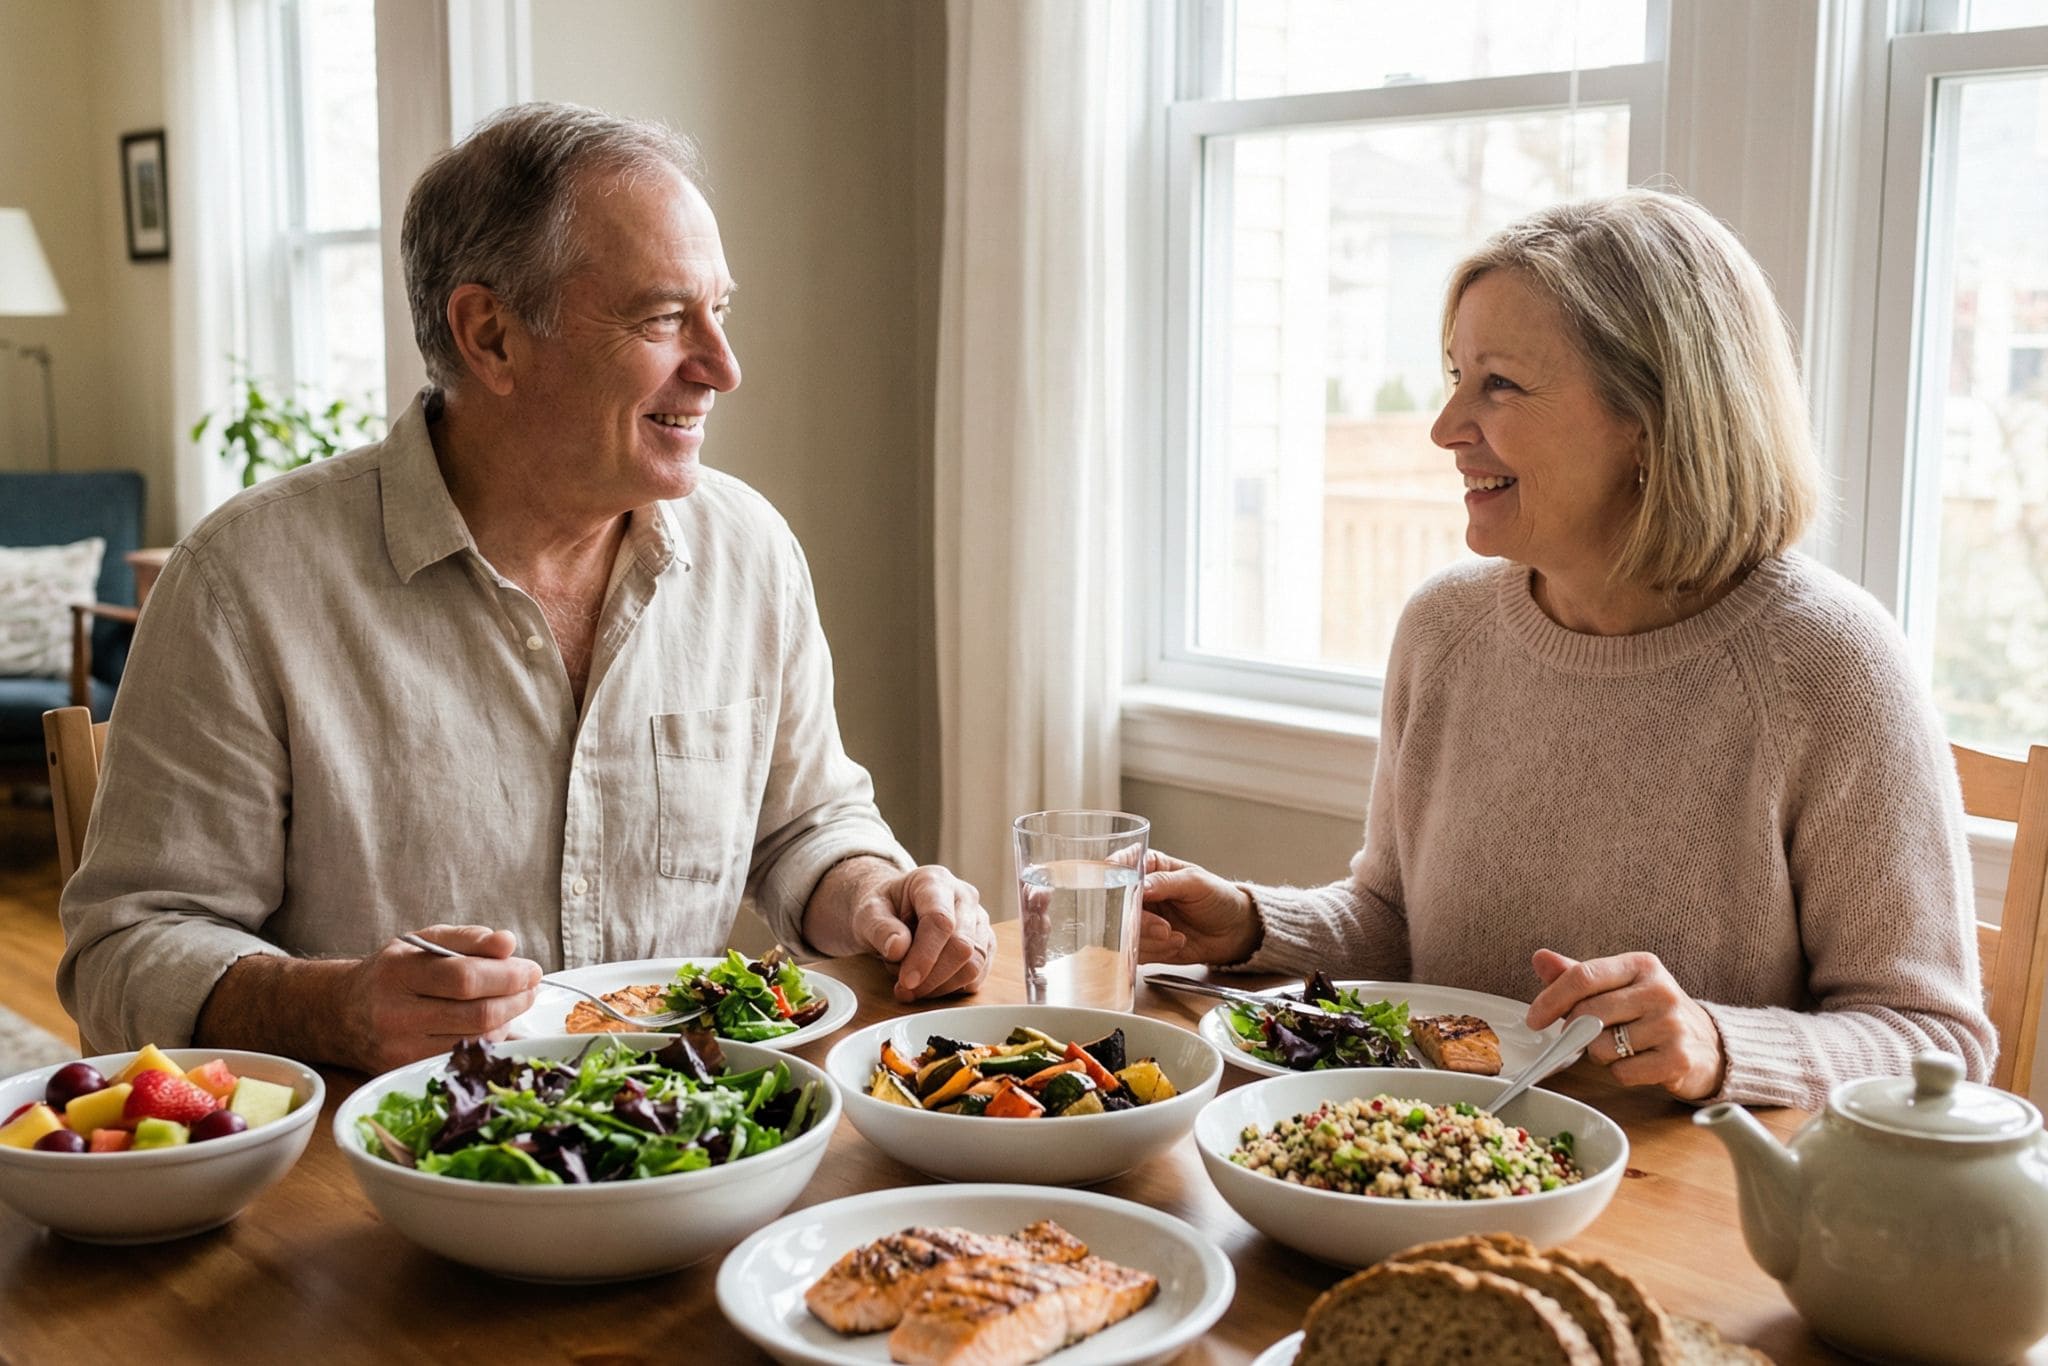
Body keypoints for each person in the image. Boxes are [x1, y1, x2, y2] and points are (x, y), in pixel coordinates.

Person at [58, 103, 993, 1072]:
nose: (722, 365)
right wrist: (328, 1007)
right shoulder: (245, 583)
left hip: (694, 1147)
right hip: (385, 1180)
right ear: (490, 334)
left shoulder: (749, 550)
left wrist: (874, 888)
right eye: (665, 317)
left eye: (721, 311)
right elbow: (123, 949)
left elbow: (805, 822)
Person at [1140, 189, 1994, 1109]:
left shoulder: (1830, 666)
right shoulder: (1445, 629)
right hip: (1428, 1172)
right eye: (1456, 374)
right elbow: (1394, 928)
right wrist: (1248, 924)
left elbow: (1932, 1039)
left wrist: (1717, 1043)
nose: (1445, 427)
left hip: (1686, 1213)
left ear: (1651, 419)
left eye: (1498, 384)